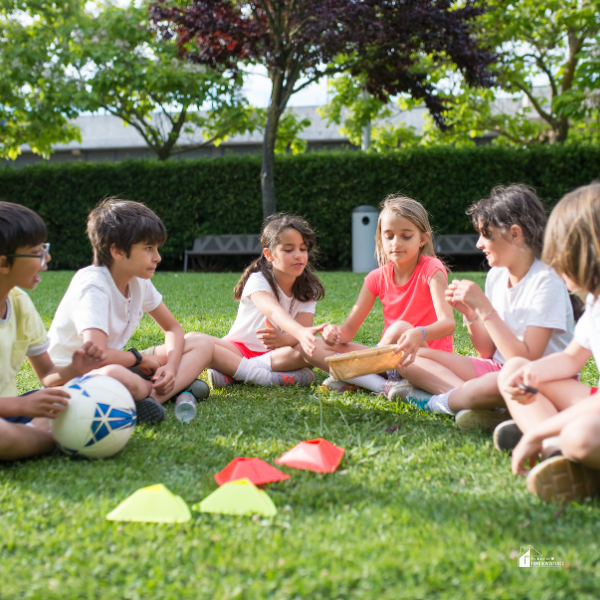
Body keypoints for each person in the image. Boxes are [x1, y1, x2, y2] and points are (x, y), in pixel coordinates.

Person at [393, 185, 574, 430]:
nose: (479, 243)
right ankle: (480, 403)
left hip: (538, 377)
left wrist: (485, 308)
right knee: (407, 357)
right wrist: (471, 314)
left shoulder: (546, 282)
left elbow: (525, 360)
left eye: (486, 234)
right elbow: (488, 351)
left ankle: (445, 401)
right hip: (497, 370)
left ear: (514, 234)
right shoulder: (497, 276)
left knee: (495, 381)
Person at [48, 198, 207, 425]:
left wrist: (170, 367)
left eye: (156, 248)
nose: (157, 257)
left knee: (200, 343)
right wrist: (137, 358)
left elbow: (172, 328)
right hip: (73, 380)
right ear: (118, 252)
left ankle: (155, 390)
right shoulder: (93, 287)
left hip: (113, 365)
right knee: (118, 374)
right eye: (148, 248)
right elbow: (97, 356)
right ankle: (152, 394)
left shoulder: (137, 280)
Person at [498, 183, 600, 503]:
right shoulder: (595, 305)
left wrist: (539, 431)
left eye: (559, 254)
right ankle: (556, 453)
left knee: (580, 437)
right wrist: (532, 375)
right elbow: (571, 359)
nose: (552, 263)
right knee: (513, 368)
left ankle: (550, 440)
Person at [300, 194, 455, 394]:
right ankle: (384, 386)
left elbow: (448, 324)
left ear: (423, 239)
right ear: (380, 238)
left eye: (406, 236)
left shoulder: (432, 269)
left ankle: (356, 378)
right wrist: (333, 332)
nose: (396, 243)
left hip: (424, 360)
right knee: (311, 347)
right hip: (386, 359)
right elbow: (347, 332)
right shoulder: (376, 277)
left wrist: (419, 333)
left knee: (399, 328)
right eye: (389, 236)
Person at [0, 202, 106, 460]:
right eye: (36, 252)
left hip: (10, 410)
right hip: (10, 412)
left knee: (78, 400)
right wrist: (22, 405)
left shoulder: (19, 303)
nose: (46, 259)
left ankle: (31, 435)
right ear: (3, 263)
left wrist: (74, 370)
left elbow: (47, 374)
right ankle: (53, 440)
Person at [183, 214, 325, 390]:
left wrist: (282, 340)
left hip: (277, 356)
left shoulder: (307, 288)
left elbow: (302, 334)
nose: (298, 255)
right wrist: (300, 334)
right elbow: (273, 310)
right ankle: (268, 377)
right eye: (288, 250)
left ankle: (233, 372)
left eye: (303, 249)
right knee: (191, 339)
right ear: (269, 254)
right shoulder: (258, 279)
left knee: (310, 349)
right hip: (237, 350)